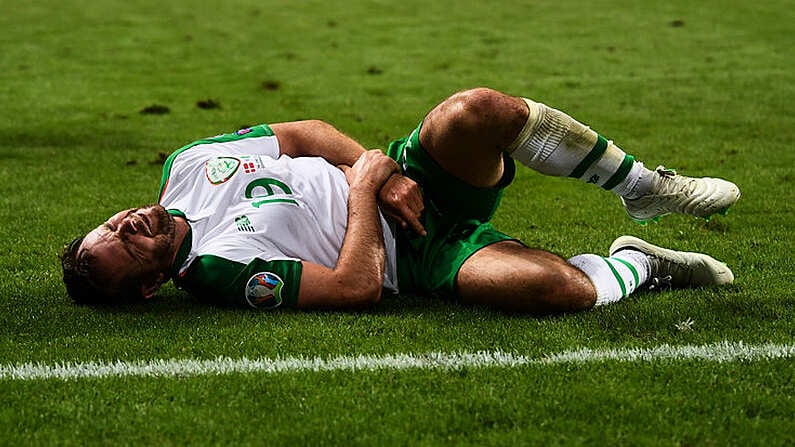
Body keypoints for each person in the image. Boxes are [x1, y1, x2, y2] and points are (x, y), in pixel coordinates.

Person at [61, 88, 740, 313]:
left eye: (110, 225)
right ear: (152, 283)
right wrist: (364, 193)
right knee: (552, 288)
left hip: (404, 179)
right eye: (127, 245)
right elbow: (354, 286)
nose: (127, 224)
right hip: (415, 254)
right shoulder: (213, 270)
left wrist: (378, 172)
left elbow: (306, 134)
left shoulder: (187, 164)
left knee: (474, 111)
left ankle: (643, 189)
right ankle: (641, 265)